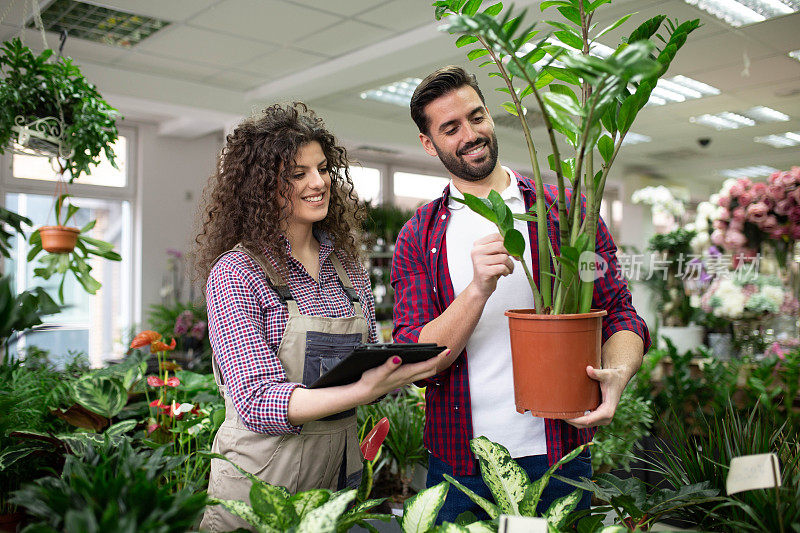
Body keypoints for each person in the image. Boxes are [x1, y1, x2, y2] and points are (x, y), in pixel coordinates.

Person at [391, 66, 651, 522]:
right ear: (429, 144)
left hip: (559, 457)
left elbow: (621, 315)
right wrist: (476, 290)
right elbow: (415, 356)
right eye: (451, 128)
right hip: (459, 466)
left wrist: (618, 374)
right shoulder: (419, 234)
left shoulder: (566, 214)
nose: (471, 134)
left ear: (490, 115)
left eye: (477, 117)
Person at [194, 102, 455, 532]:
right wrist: (363, 389)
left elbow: (368, 357)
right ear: (260, 187)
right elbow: (259, 402)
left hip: (335, 483)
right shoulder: (237, 273)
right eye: (298, 174)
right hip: (260, 486)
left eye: (321, 168)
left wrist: (400, 370)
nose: (318, 182)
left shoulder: (347, 268)